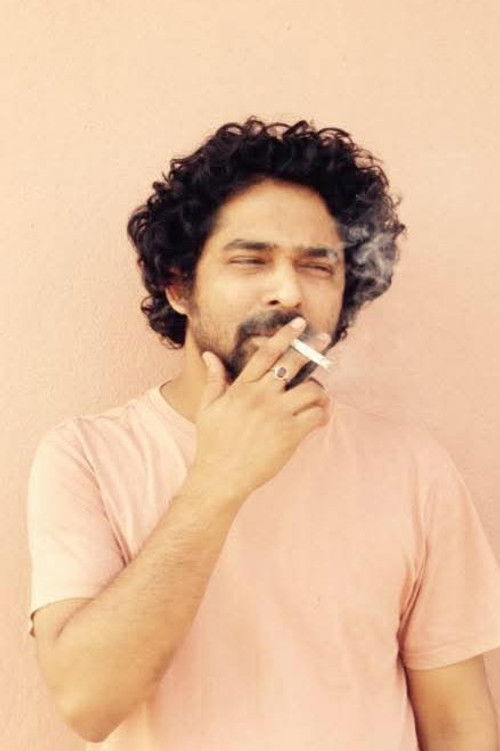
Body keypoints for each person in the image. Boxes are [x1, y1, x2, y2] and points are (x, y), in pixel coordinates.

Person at [27, 117, 500, 750]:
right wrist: (218, 481)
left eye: (317, 266)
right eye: (251, 260)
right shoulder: (87, 455)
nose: (288, 291)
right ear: (179, 285)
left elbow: (458, 724)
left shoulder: (413, 468)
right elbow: (87, 700)